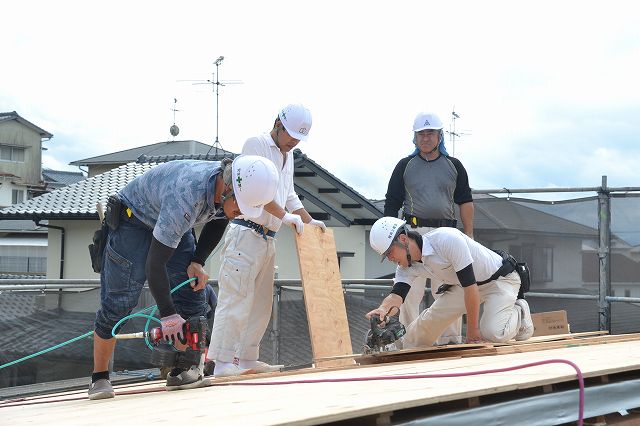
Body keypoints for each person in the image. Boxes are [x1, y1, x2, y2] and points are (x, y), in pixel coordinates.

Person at [88, 155, 280, 400]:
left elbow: (220, 220)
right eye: (241, 205)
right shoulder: (187, 196)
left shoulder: (227, 188)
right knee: (119, 302)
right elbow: (155, 265)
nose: (242, 213)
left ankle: (181, 371)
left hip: (169, 219)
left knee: (191, 293)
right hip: (134, 220)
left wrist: (197, 261)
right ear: (227, 187)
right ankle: (100, 378)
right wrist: (168, 315)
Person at [208, 103, 326, 377]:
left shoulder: (289, 155)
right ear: (277, 124)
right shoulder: (256, 144)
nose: (294, 141)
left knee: (260, 305)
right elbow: (252, 189)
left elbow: (288, 194)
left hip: (266, 238)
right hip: (245, 231)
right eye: (291, 135)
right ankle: (223, 363)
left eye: (299, 138)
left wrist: (308, 220)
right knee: (235, 299)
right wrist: (286, 217)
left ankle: (247, 358)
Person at [366, 217, 534, 348]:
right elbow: (397, 295)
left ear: (403, 239)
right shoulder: (405, 267)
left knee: (493, 333)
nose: (390, 259)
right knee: (418, 334)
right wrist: (382, 309)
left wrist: (473, 332)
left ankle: (520, 310)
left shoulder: (446, 239)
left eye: (389, 252)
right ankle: (401, 350)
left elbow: (471, 288)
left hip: (500, 280)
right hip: (466, 286)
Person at [384, 111, 475, 344]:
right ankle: (407, 341)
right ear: (414, 138)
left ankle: (449, 341)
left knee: (447, 289)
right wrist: (390, 240)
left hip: (446, 236)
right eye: (421, 134)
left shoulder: (454, 166)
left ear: (440, 136)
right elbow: (392, 203)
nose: (425, 138)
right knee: (409, 290)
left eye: (430, 133)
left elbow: (465, 201)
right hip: (412, 235)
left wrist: (469, 234)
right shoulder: (405, 166)